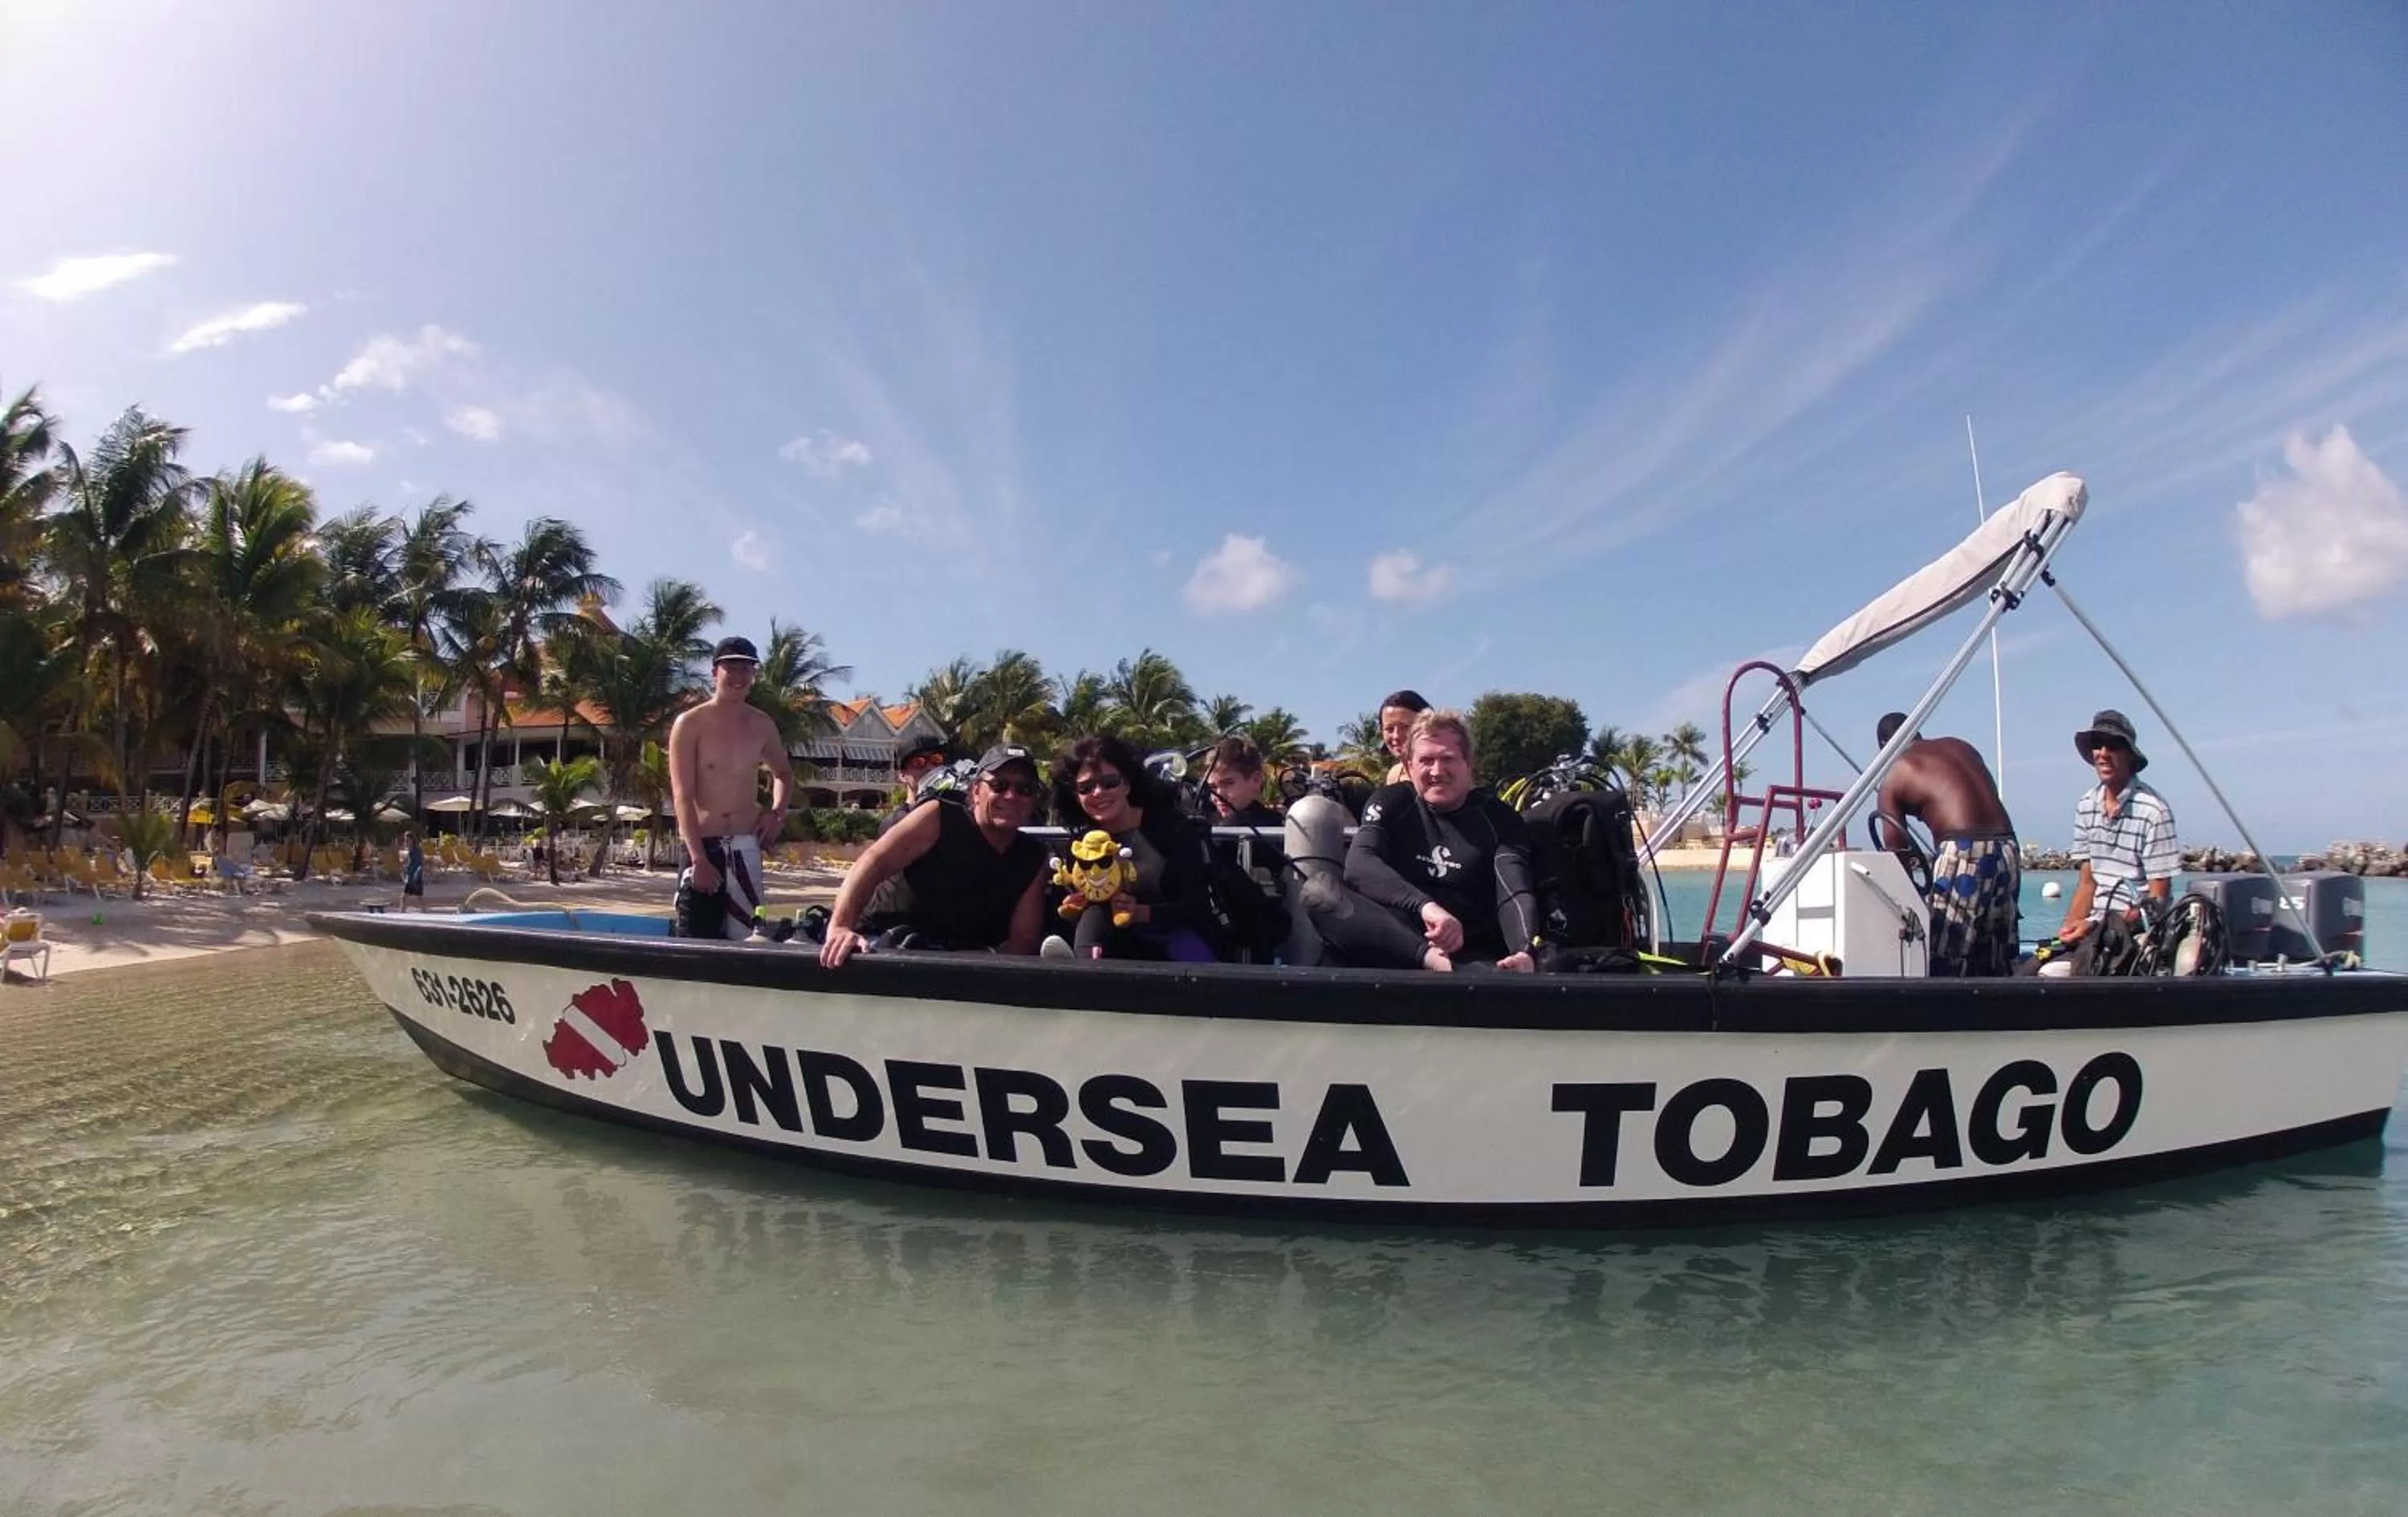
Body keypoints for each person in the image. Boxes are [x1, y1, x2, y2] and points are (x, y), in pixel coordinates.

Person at [1305, 709, 1542, 972]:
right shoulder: (1393, 802)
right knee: (1319, 892)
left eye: (1448, 759)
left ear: (1469, 764)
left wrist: (1524, 951)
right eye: (1426, 760)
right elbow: (1360, 864)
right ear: (1409, 766)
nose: (1437, 771)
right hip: (1398, 941)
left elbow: (1514, 891)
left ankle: (1454, 967)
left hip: (1468, 947)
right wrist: (1427, 908)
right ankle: (1437, 964)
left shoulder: (1499, 818)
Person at [819, 744, 1050, 966]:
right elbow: (873, 861)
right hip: (880, 944)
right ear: (976, 791)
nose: (1011, 796)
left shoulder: (1033, 857)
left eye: (1024, 790)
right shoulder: (939, 816)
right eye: (999, 785)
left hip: (961, 963)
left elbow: (1022, 943)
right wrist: (840, 926)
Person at [1869, 712, 2020, 977]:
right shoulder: (1961, 746)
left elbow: (1897, 851)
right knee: (1997, 954)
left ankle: (1941, 1013)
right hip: (2008, 846)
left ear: (1884, 746)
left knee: (1945, 953)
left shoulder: (1896, 773)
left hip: (1963, 850)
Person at [1047, 733, 1222, 962]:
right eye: (1086, 788)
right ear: (1076, 796)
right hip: (1111, 955)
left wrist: (1141, 913)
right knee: (1094, 911)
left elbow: (1198, 910)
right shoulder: (1080, 847)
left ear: (1127, 784)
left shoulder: (1173, 832)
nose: (1098, 793)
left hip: (1172, 952)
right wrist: (1074, 908)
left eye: (1110, 783)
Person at [667, 636, 797, 939]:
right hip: (704, 846)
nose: (739, 677)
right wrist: (698, 858)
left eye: (746, 670)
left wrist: (777, 815)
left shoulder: (762, 725)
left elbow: (784, 774)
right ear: (715, 672)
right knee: (696, 942)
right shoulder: (690, 724)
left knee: (750, 940)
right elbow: (682, 797)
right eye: (732, 669)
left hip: (745, 845)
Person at [2051, 709, 2178, 967]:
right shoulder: (2086, 805)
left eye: (2114, 745)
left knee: (2075, 977)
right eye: (2097, 745)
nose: (2104, 752)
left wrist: (2097, 926)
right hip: (2095, 930)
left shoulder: (2154, 811)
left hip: (2137, 931)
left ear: (2130, 754)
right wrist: (2070, 929)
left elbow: (2158, 900)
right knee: (2031, 971)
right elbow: (2088, 883)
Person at [1377, 689, 1431, 786]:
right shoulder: (1395, 775)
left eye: (1405, 727)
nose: (1396, 735)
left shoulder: (1444, 771)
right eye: (1389, 729)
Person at [400, 829, 426, 912]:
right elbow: (410, 862)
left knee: (418, 897)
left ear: (412, 840)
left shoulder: (416, 850)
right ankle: (402, 912)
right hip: (410, 876)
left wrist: (416, 875)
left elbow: (420, 863)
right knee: (406, 897)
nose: (406, 842)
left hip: (415, 877)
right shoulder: (411, 850)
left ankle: (402, 912)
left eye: (407, 840)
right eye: (405, 840)